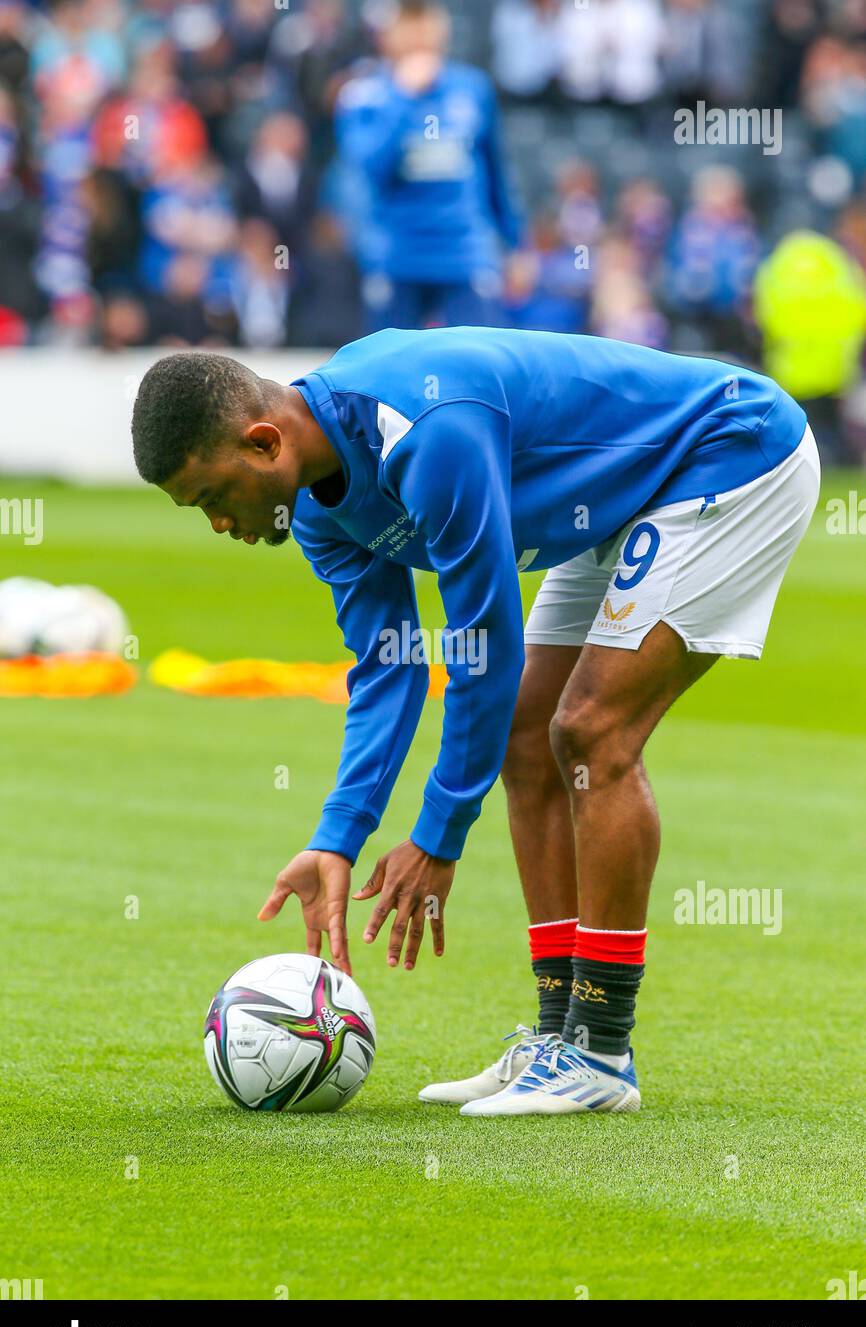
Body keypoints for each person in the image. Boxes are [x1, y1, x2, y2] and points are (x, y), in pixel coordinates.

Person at [131, 326, 819, 1117]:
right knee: (530, 735)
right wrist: (338, 835)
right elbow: (390, 668)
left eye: (213, 498)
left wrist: (438, 835)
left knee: (591, 731)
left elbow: (481, 646)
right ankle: (560, 1035)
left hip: (728, 451)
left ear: (262, 443)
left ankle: (601, 1050)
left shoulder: (429, 434)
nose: (219, 525)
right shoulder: (319, 510)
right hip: (624, 496)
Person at [334, 0, 523, 331]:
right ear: (387, 35)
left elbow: (496, 174)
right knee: (388, 368)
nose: (419, 35)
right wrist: (404, 97)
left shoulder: (472, 89)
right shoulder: (363, 95)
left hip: (464, 254)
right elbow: (371, 169)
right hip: (397, 255)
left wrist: (516, 244)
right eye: (409, 24)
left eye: (426, 22)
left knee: (476, 361)